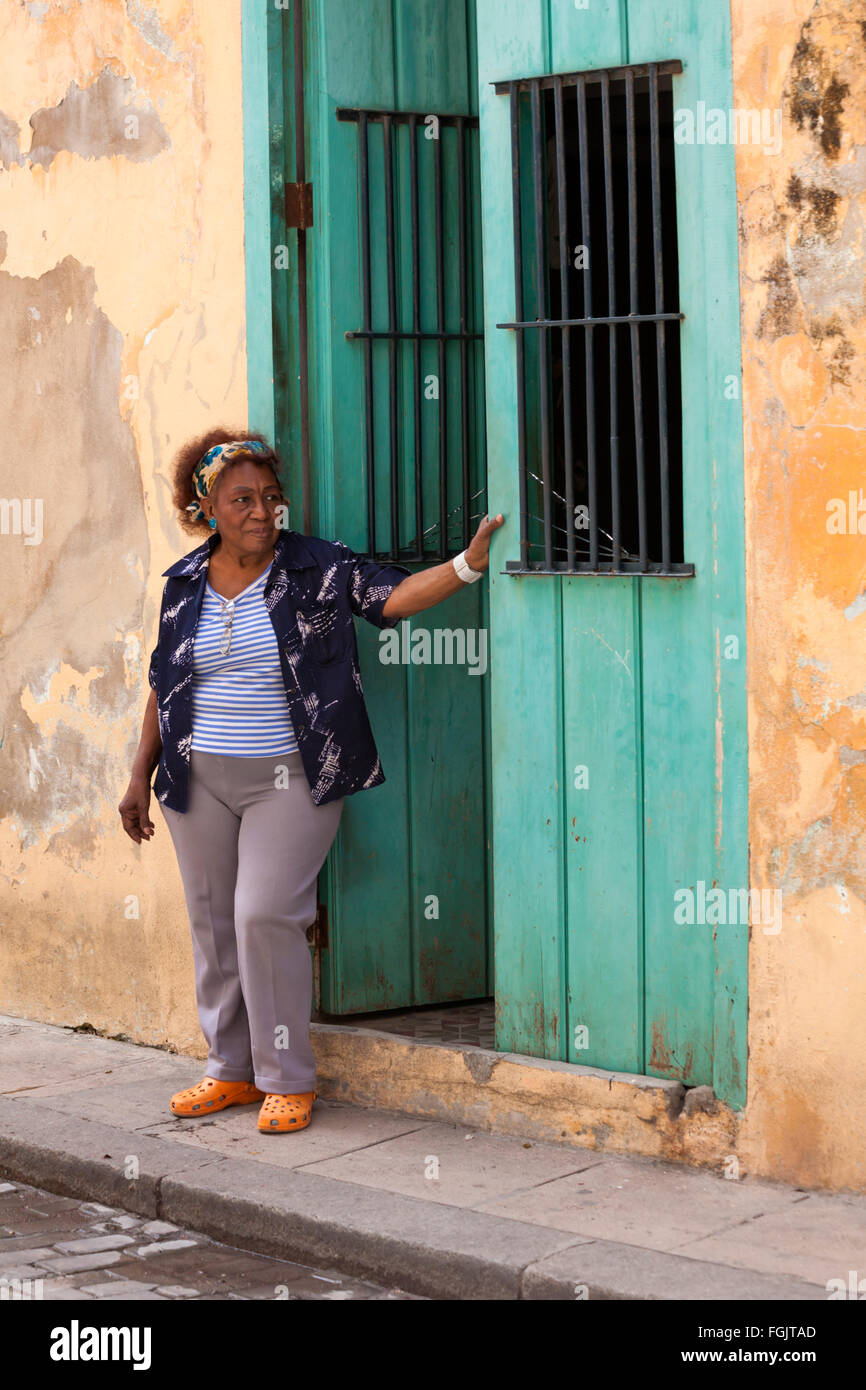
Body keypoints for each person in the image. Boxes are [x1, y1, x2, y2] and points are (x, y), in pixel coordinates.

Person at [118, 429, 503, 1133]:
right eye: (242, 499)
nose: (262, 511)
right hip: (195, 778)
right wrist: (138, 773)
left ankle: (287, 1076)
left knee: (263, 914)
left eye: (270, 497)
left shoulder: (318, 568)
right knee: (213, 925)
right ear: (205, 508)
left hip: (292, 776)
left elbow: (391, 597)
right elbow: (164, 682)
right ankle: (229, 1071)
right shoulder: (183, 585)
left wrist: (466, 568)